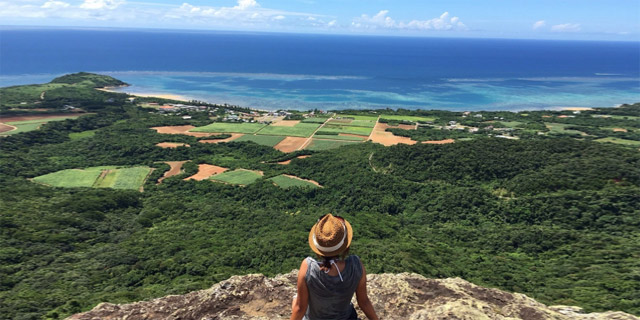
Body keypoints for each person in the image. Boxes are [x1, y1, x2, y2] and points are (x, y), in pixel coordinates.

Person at [290, 214, 380, 320]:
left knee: (296, 299)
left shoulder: (308, 267)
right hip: (346, 318)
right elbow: (363, 302)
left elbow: (300, 308)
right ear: (345, 245)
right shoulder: (355, 265)